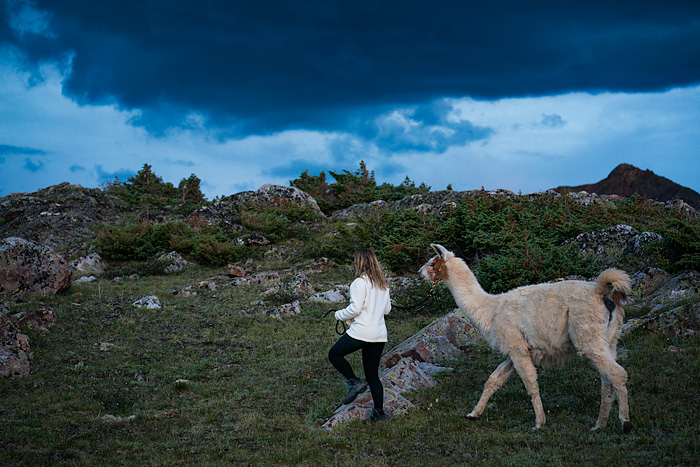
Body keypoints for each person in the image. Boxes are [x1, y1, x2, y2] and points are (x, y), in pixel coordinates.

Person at [328, 248, 391, 423]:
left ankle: (354, 382)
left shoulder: (359, 282)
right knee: (372, 376)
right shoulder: (383, 285)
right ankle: (379, 413)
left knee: (334, 354)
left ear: (360, 262)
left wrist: (339, 315)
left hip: (362, 331)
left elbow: (355, 309)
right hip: (379, 334)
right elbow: (387, 310)